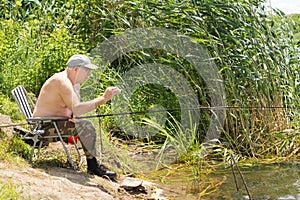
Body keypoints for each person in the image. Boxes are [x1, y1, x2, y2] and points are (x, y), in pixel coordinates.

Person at [33, 54, 121, 179]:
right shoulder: (62, 81)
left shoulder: (74, 83)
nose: (89, 74)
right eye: (87, 70)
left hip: (56, 124)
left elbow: (75, 111)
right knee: (86, 126)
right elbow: (77, 107)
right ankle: (93, 167)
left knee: (84, 124)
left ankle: (93, 165)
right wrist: (103, 98)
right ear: (76, 69)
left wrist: (75, 116)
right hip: (44, 128)